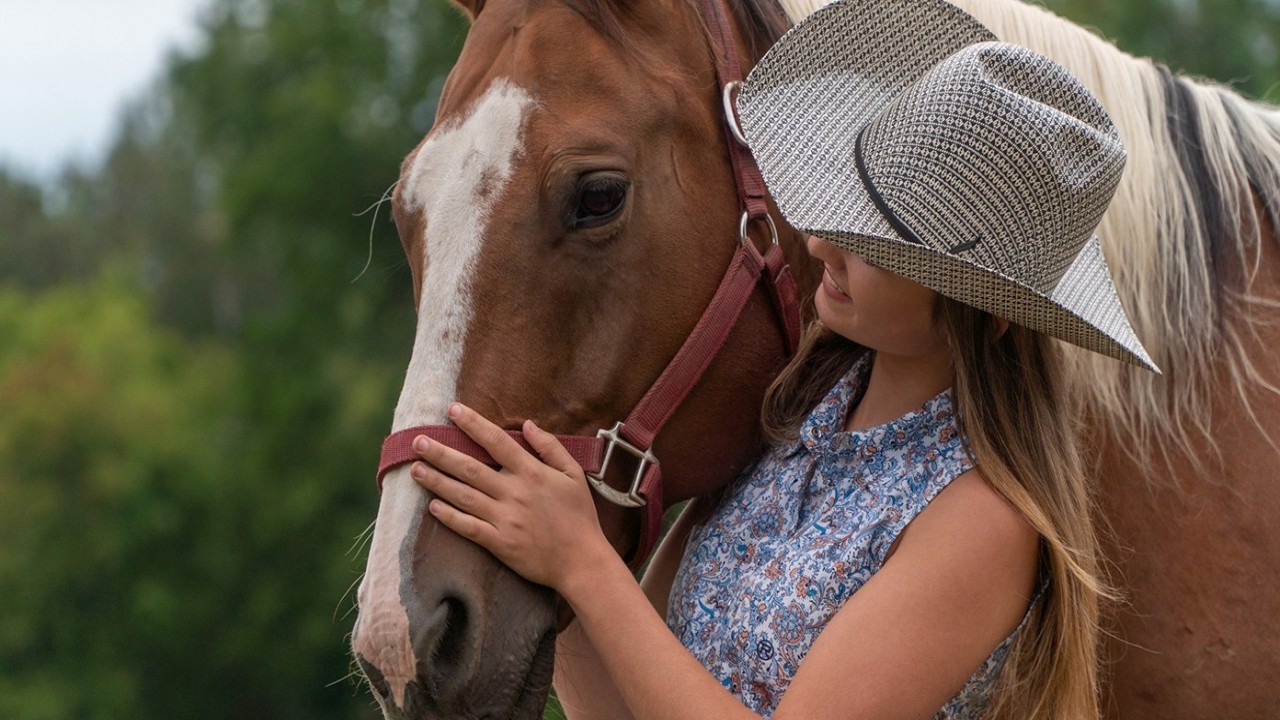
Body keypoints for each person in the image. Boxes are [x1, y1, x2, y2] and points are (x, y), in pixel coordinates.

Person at [405, 0, 1159, 718]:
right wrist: (544, 561)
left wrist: (584, 566)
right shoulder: (783, 424)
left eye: (876, 239)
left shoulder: (981, 522)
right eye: (844, 202)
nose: (824, 242)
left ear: (984, 309)